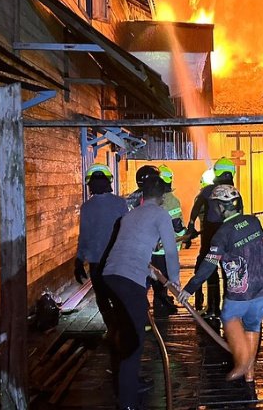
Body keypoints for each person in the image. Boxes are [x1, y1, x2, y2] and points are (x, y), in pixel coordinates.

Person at [178, 185, 263, 382]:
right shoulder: (254, 222)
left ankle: (243, 362)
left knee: (229, 318)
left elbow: (209, 264)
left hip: (240, 293)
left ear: (220, 207)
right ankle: (249, 373)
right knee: (253, 326)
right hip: (261, 290)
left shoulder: (222, 233)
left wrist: (190, 288)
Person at [103, 175, 181, 409]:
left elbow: (130, 250)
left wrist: (153, 274)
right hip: (128, 280)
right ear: (163, 196)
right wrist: (174, 281)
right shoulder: (160, 214)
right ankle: (128, 401)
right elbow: (171, 251)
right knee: (134, 339)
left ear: (143, 195)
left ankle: (131, 382)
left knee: (127, 329)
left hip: (111, 276)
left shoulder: (129, 215)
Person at [74, 164, 127, 332]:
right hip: (117, 261)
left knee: (102, 298)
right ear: (109, 181)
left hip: (97, 261)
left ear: (90, 184)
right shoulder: (121, 203)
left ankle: (112, 329)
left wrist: (79, 259)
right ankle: (122, 328)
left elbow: (85, 235)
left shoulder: (86, 207)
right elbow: (127, 230)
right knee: (119, 296)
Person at [186, 157, 243, 317]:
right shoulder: (235, 194)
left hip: (211, 236)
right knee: (229, 273)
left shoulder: (207, 191)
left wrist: (190, 228)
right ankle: (228, 309)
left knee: (210, 270)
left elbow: (195, 209)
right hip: (229, 237)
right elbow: (241, 216)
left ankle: (213, 308)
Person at [149, 164, 186, 316]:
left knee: (158, 279)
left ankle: (162, 301)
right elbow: (177, 227)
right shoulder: (172, 200)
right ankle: (161, 306)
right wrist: (184, 236)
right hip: (167, 249)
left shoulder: (151, 200)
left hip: (153, 248)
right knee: (163, 279)